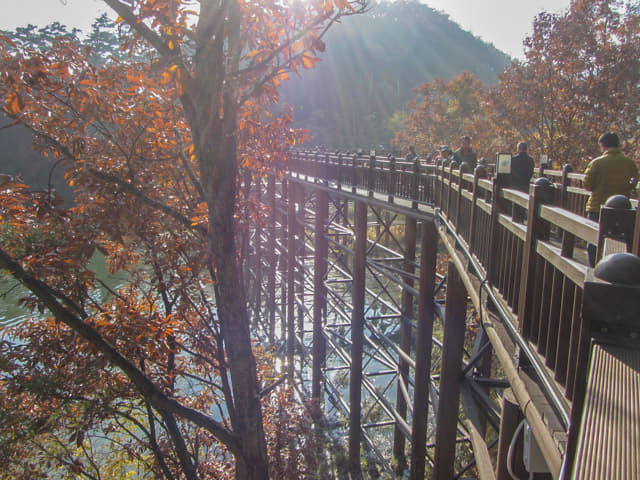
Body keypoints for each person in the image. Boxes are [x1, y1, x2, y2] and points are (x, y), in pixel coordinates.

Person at [583, 132, 639, 267]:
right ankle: (615, 269)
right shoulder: (629, 163)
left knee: (595, 239)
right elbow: (634, 180)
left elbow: (587, 184)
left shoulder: (597, 163)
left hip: (598, 206)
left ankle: (594, 268)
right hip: (622, 208)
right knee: (619, 240)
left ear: (603, 146)